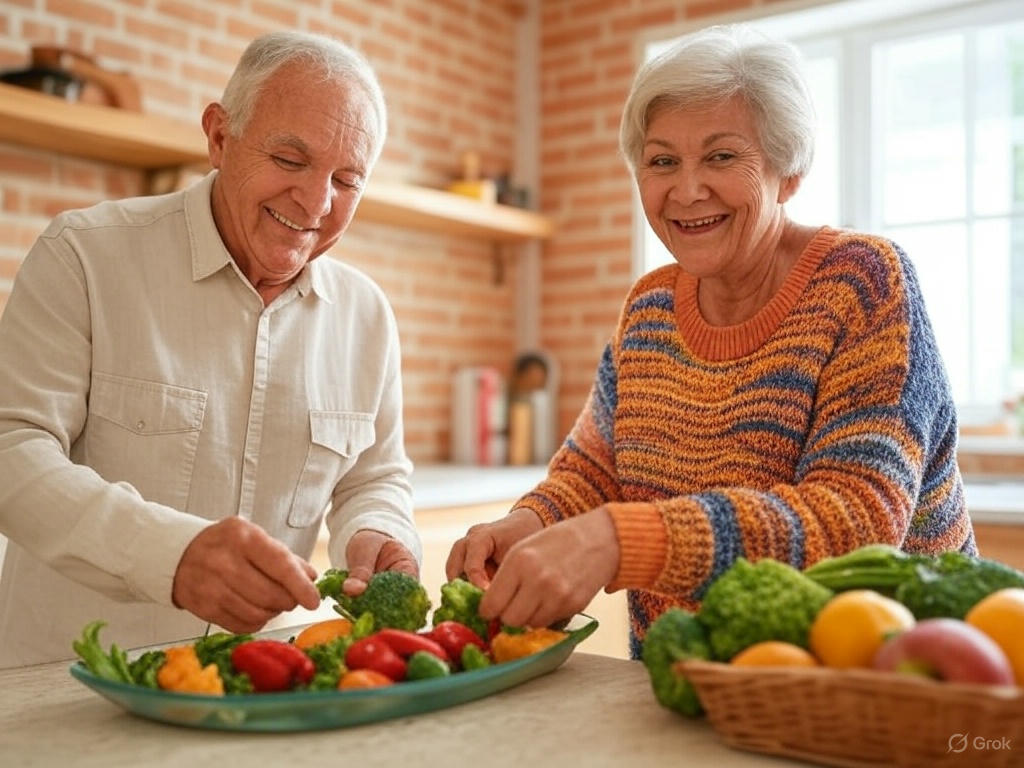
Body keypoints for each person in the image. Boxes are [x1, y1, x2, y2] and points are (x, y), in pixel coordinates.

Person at [446, 24, 974, 659]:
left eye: (722, 157)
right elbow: (595, 469)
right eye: (662, 161)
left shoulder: (862, 281)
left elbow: (856, 521)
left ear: (789, 171)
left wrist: (621, 540)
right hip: (696, 683)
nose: (687, 190)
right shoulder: (647, 310)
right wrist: (528, 525)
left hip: (889, 682)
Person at [0, 31, 421, 667]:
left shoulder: (366, 317)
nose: (316, 202)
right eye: (289, 160)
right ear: (220, 137)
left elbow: (375, 476)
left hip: (263, 692)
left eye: (347, 178)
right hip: (70, 695)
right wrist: (168, 555)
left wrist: (379, 534)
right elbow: (11, 452)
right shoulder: (85, 255)